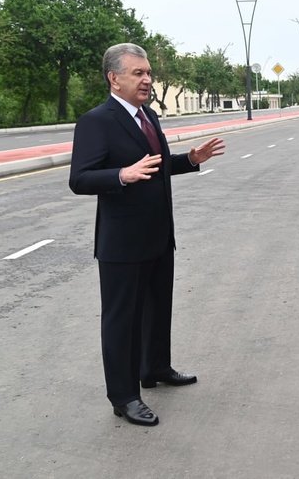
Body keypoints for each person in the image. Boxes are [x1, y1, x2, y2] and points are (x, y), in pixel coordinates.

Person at [69, 43, 226, 426]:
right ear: (114, 78)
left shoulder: (149, 116)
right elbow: (80, 179)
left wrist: (190, 160)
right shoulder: (97, 121)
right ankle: (124, 396)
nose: (147, 80)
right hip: (122, 244)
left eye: (149, 73)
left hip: (158, 235)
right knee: (122, 320)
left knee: (158, 308)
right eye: (138, 73)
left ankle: (155, 368)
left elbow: (153, 166)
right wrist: (121, 175)